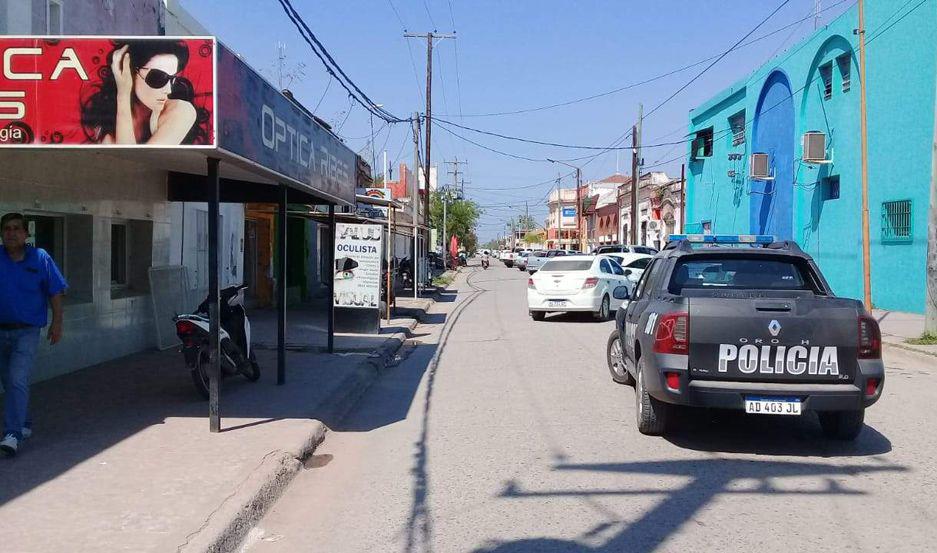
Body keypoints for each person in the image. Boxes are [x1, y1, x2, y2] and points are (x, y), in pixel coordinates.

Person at [0, 213, 67, 457]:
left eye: (17, 228)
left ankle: (12, 434)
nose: (11, 233)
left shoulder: (39, 258)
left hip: (26, 332)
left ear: (26, 234)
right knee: (9, 382)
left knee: (17, 379)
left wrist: (57, 322)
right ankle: (24, 422)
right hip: (0, 330)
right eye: (7, 229)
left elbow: (55, 291)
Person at [81, 40, 211, 145]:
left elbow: (137, 159)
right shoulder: (106, 121)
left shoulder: (182, 111)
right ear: (130, 72)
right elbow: (125, 164)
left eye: (172, 80)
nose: (168, 90)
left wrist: (123, 95)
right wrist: (123, 94)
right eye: (158, 78)